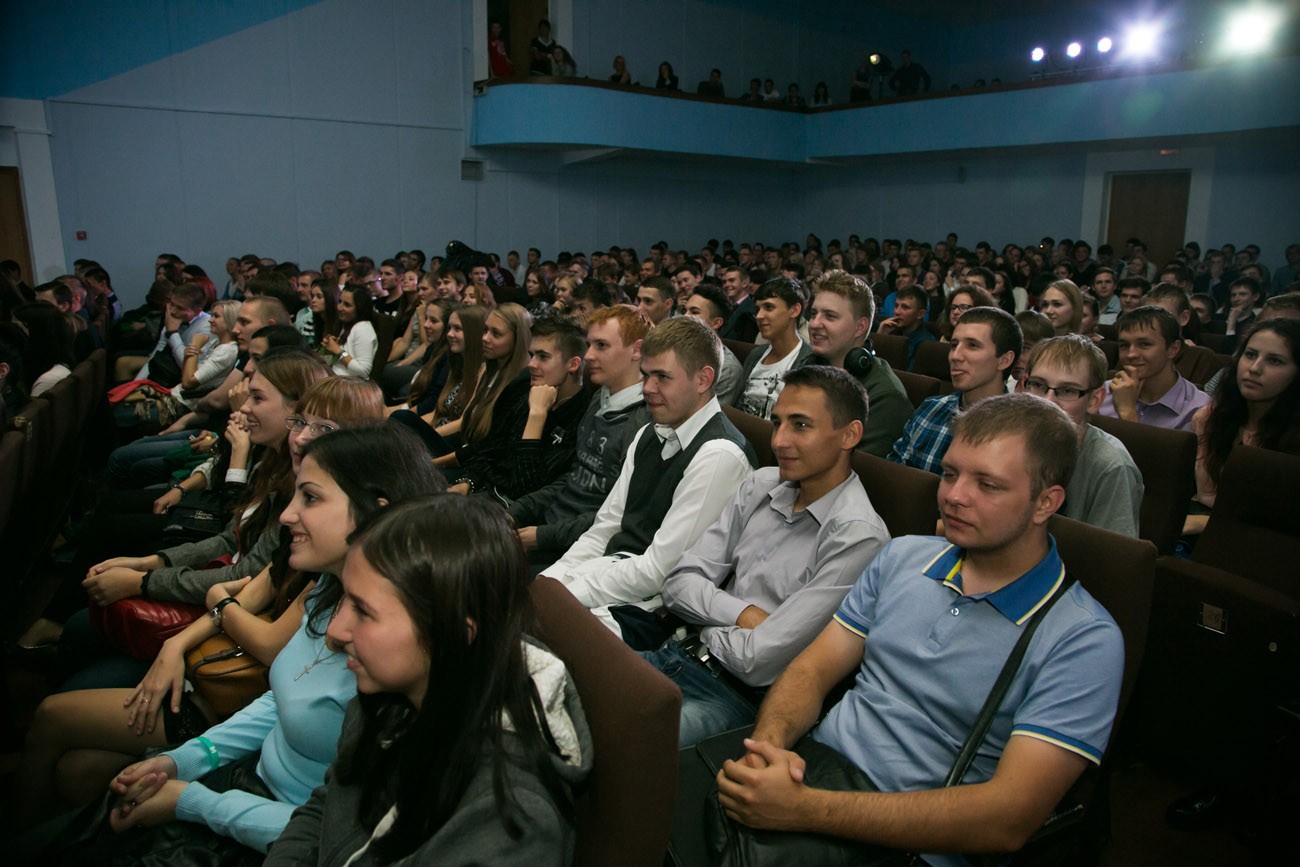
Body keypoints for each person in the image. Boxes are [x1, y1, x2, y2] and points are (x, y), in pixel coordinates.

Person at [715, 394, 1124, 867]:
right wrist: (768, 748)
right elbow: (812, 669)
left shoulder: (1083, 639)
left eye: (987, 484)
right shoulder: (903, 556)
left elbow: (1007, 818)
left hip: (911, 843)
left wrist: (804, 810)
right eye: (950, 474)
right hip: (814, 772)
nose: (954, 496)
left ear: (1045, 502)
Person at [21, 426, 444, 862]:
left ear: (376, 513)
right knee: (81, 781)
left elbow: (337, 837)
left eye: (311, 498)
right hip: (245, 779)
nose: (288, 515)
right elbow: (281, 699)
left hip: (273, 833)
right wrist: (184, 760)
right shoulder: (329, 586)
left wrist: (193, 801)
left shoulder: (405, 656)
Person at [265, 495, 590, 865]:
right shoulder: (388, 698)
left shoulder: (510, 823)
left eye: (364, 612)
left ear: (451, 634)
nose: (336, 631)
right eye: (345, 601)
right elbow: (330, 806)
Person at [650, 366, 890, 746]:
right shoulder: (762, 483)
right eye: (777, 423)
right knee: (575, 688)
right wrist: (744, 615)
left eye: (800, 425)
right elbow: (677, 583)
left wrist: (703, 622)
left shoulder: (858, 536)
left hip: (735, 699)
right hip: (679, 654)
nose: (778, 440)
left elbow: (757, 662)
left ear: (850, 435)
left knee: (626, 737)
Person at [540, 317, 756, 645]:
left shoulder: (719, 455)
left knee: (538, 636)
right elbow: (605, 528)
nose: (647, 389)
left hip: (656, 611)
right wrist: (554, 579)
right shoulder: (647, 433)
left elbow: (661, 573)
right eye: (646, 375)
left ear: (703, 379)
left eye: (662, 377)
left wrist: (568, 592)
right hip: (613, 577)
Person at [509, 307, 651, 569]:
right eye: (589, 344)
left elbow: (616, 516)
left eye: (601, 346)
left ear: (637, 350)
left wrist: (543, 537)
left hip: (582, 548)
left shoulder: (644, 422)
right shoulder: (599, 398)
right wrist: (518, 510)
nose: (588, 355)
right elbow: (574, 477)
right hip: (552, 526)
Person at [447, 314, 594, 502]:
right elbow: (492, 449)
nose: (531, 364)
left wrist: (537, 415)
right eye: (532, 355)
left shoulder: (583, 416)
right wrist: (467, 482)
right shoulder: (527, 390)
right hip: (483, 488)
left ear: (573, 364)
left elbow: (525, 488)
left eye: (543, 357)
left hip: (510, 506)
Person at [1184, 319, 1300, 535]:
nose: (1254, 369)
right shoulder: (1210, 418)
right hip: (1205, 527)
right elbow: (1206, 496)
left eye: (1275, 361)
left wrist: (1205, 523)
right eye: (1250, 355)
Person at [1023, 336, 1143, 537]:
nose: (1048, 401)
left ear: (1094, 400)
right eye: (1038, 385)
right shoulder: (1011, 443)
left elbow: (1110, 553)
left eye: (1067, 390)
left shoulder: (1112, 466)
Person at [889, 307, 1020, 473]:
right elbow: (895, 474)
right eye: (954, 345)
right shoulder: (931, 409)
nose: (955, 356)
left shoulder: (1017, 433)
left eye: (972, 345)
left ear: (1004, 360)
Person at [803, 269, 910, 456]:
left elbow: (854, 466)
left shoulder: (885, 396)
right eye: (813, 314)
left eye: (830, 316)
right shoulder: (809, 365)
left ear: (860, 327)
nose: (814, 324)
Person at [1098, 306, 1210, 431]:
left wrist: (1128, 412)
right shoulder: (1101, 394)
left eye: (1144, 344)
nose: (1131, 354)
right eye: (1124, 345)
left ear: (1173, 349)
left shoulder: (1198, 409)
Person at [736, 278, 812, 419]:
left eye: (769, 307)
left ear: (794, 310)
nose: (759, 316)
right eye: (757, 309)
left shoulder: (809, 361)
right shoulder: (756, 355)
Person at [683, 285, 745, 406]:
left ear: (716, 323)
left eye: (694, 312)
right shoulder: (676, 349)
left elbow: (709, 415)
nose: (685, 316)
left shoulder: (727, 369)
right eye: (685, 310)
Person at [320, 285, 378, 378]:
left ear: (360, 308)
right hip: (335, 379)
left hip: (351, 384)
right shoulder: (346, 326)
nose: (339, 308)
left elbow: (363, 371)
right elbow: (329, 364)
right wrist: (328, 350)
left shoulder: (363, 329)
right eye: (340, 302)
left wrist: (338, 351)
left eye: (347, 305)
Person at [876, 285, 935, 371]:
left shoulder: (926, 344)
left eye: (905, 307)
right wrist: (881, 336)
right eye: (896, 306)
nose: (897, 312)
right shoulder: (891, 331)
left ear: (920, 314)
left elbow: (908, 375)